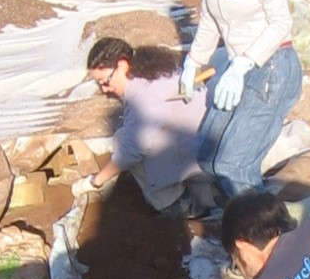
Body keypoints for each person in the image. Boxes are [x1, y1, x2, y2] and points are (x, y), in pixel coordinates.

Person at [181, 0, 301, 199]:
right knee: (208, 155)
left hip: (272, 67)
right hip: (239, 66)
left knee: (234, 164)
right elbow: (210, 18)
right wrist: (193, 63)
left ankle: (269, 235)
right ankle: (242, 212)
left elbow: (280, 22)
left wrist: (242, 66)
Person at [72, 37, 214, 216]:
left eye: (105, 81)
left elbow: (130, 152)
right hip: (203, 145)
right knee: (129, 137)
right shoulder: (154, 72)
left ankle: (179, 205)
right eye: (98, 84)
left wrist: (95, 182)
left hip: (195, 157)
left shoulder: (144, 97)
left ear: (122, 66)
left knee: (124, 142)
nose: (104, 89)